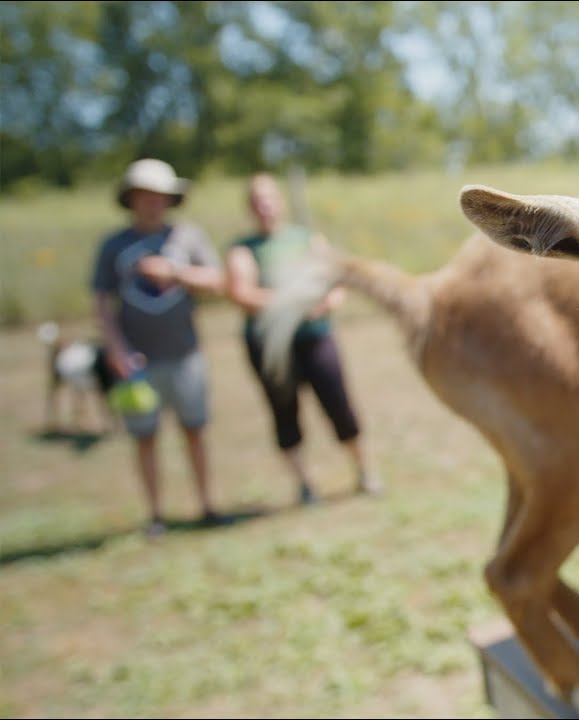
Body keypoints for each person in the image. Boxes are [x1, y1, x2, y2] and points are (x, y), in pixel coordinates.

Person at [224, 173, 381, 504]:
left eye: (269, 199)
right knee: (284, 411)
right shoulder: (243, 249)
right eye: (257, 201)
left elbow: (336, 280)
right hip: (270, 345)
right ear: (249, 208)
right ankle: (304, 484)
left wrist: (328, 301)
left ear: (279, 201)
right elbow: (241, 292)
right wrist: (293, 304)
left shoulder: (306, 237)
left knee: (339, 405)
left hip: (315, 337)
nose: (264, 207)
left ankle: (365, 472)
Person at [91, 158, 228, 537]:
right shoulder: (114, 245)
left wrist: (175, 273)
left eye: (160, 196)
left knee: (195, 430)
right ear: (131, 199)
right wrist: (115, 348)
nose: (153, 202)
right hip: (138, 362)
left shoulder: (187, 237)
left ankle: (207, 504)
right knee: (145, 437)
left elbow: (217, 281)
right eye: (145, 195)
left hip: (185, 353)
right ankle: (156, 514)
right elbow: (101, 299)